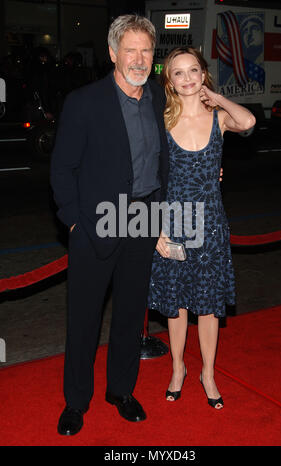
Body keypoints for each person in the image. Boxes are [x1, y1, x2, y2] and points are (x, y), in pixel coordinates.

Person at [50, 15, 170, 435]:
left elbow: (168, 157)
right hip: (94, 225)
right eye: (131, 49)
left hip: (143, 220)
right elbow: (62, 169)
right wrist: (72, 223)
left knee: (130, 315)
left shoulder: (157, 97)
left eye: (147, 50)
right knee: (83, 319)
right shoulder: (85, 102)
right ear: (113, 53)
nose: (139, 58)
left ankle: (121, 390)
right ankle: (75, 403)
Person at [148, 47, 256, 409]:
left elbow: (249, 123)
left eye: (194, 70)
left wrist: (220, 97)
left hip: (210, 223)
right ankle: (177, 369)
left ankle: (207, 373)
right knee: (175, 306)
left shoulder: (219, 118)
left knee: (208, 307)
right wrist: (155, 230)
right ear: (170, 82)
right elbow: (146, 177)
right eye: (178, 73)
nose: (188, 78)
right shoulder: (161, 120)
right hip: (174, 224)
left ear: (204, 75)